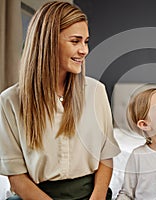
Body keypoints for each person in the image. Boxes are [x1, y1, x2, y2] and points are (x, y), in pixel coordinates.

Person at [0, 1, 120, 199]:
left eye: (86, 41)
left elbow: (106, 157)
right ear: (47, 42)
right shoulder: (10, 101)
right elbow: (16, 177)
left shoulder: (96, 92)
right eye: (75, 41)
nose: (84, 50)